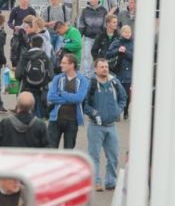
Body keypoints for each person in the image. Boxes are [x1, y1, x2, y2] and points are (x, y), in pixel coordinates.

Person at [84, 58, 127, 191]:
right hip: (95, 126)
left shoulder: (114, 81)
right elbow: (84, 104)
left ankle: (110, 182)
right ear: (95, 69)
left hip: (111, 126)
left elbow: (123, 97)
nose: (105, 69)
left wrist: (118, 110)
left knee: (113, 156)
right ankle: (96, 182)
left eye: (106, 67)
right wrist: (93, 113)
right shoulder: (90, 83)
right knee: (94, 156)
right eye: (102, 67)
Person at [47, 53, 89, 149]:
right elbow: (51, 97)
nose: (61, 65)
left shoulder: (83, 80)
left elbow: (79, 98)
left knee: (69, 151)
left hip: (72, 121)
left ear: (72, 65)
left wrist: (62, 93)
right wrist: (71, 99)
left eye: (64, 63)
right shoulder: (57, 78)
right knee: (51, 150)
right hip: (55, 120)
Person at [16, 35, 52, 118]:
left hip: (26, 88)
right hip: (41, 90)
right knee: (38, 117)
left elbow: (18, 75)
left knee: (25, 114)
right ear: (42, 45)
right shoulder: (45, 57)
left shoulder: (25, 56)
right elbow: (51, 75)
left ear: (31, 44)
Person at [78, 0, 108, 77]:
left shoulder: (103, 10)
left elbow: (105, 24)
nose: (92, 1)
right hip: (88, 37)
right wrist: (79, 36)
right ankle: (87, 74)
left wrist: (104, 35)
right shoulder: (85, 10)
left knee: (97, 57)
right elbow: (81, 24)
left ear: (98, 0)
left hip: (100, 37)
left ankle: (94, 73)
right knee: (87, 55)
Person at [107, 25, 134, 118]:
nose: (127, 34)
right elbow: (108, 54)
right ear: (121, 33)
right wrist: (118, 50)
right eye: (125, 32)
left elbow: (135, 58)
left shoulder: (133, 44)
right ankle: (118, 111)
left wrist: (125, 52)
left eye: (129, 32)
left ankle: (125, 109)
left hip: (128, 72)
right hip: (116, 71)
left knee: (126, 93)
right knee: (117, 92)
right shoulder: (116, 43)